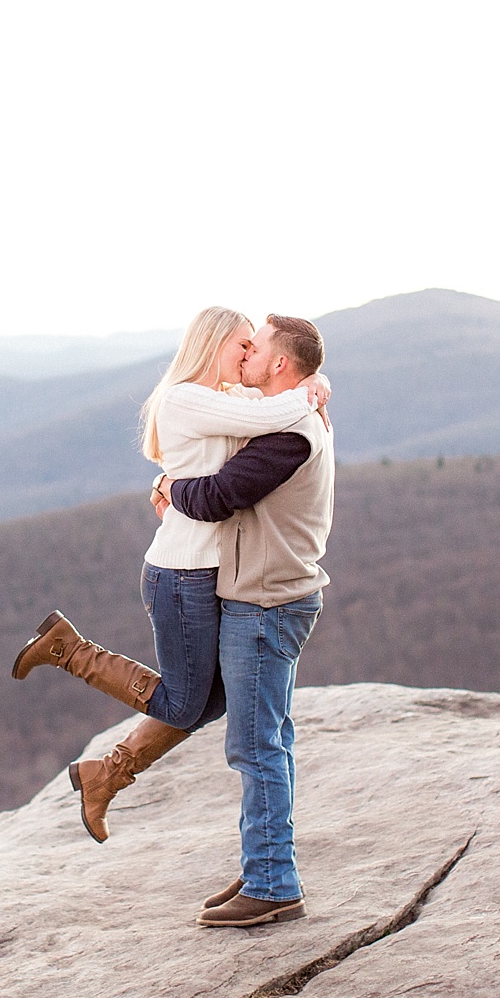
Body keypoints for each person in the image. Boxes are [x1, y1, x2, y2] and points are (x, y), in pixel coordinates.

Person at [11, 306, 329, 845]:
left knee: (213, 700)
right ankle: (66, 649)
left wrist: (315, 379)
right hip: (182, 572)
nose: (248, 354)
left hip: (206, 572)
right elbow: (265, 420)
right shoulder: (187, 397)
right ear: (215, 344)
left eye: (256, 348)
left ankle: (104, 775)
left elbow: (274, 398)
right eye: (242, 345)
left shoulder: (229, 397)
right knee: (186, 702)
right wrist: (309, 391)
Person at [155, 314, 334, 928]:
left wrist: (167, 482)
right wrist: (318, 385)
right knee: (267, 738)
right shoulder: (285, 416)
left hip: (264, 602)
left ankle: (272, 882)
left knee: (255, 744)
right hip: (269, 596)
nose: (249, 355)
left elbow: (213, 497)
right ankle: (265, 863)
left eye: (257, 350)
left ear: (280, 365)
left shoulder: (288, 436)